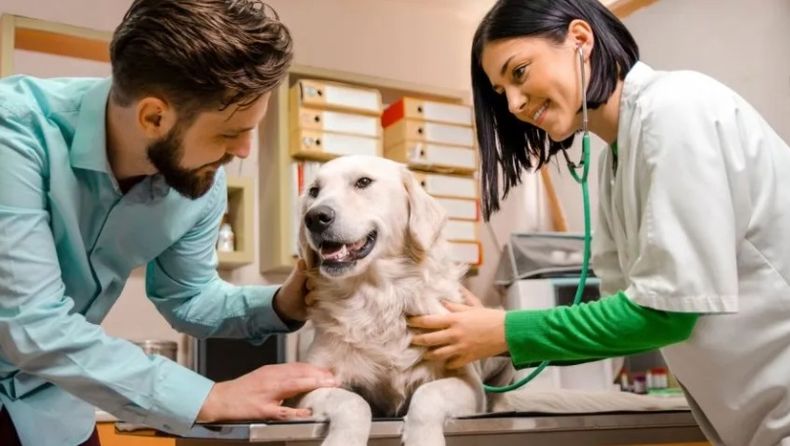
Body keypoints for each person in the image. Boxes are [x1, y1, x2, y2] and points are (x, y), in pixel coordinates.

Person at [408, 0, 790, 444]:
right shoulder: (614, 162)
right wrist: (492, 330)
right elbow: (621, 325)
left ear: (580, 39)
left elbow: (664, 316)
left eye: (519, 73)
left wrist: (502, 332)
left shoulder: (676, 108)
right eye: (501, 92)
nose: (513, 103)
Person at [0, 1, 338, 445]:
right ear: (154, 117)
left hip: (51, 407)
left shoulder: (200, 179)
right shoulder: (14, 133)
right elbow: (32, 325)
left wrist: (282, 305)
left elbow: (189, 298)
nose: (243, 152)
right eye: (229, 133)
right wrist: (208, 398)